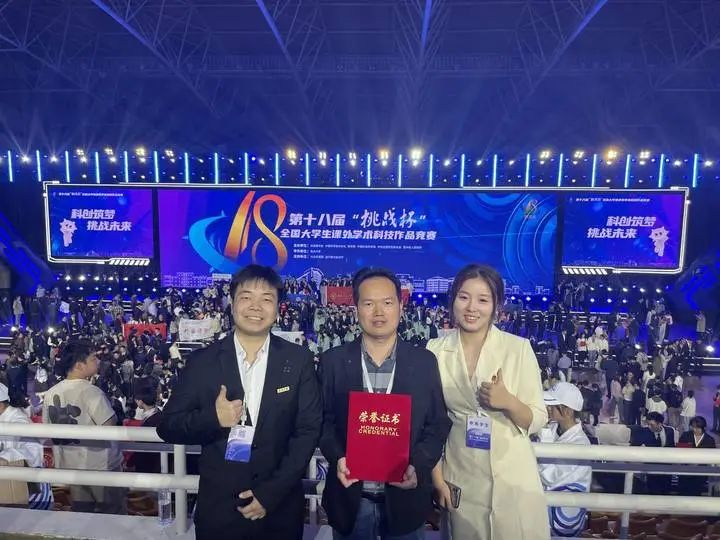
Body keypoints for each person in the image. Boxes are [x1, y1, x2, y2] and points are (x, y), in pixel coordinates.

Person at [158, 265, 322, 540]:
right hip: (220, 511)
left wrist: (270, 494)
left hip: (279, 510)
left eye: (266, 299)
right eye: (246, 297)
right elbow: (168, 426)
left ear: (278, 309)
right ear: (232, 304)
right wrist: (213, 418)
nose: (256, 306)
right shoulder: (203, 362)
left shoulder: (297, 360)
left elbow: (308, 431)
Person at [319, 267, 450, 540]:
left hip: (405, 500)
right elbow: (323, 421)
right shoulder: (333, 361)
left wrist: (417, 466)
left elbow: (437, 424)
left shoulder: (424, 362)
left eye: (387, 302)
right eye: (368, 303)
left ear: (401, 306)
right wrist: (338, 457)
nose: (378, 312)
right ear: (356, 308)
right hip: (351, 498)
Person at [427, 264, 550, 540]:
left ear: (496, 306)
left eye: (483, 300)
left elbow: (538, 418)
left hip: (512, 475)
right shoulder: (435, 350)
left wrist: (508, 402)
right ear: (453, 300)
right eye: (464, 297)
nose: (472, 307)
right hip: (461, 473)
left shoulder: (518, 348)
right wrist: (437, 478)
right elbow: (428, 421)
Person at [42, 339, 127, 514]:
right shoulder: (91, 391)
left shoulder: (51, 393)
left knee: (82, 514)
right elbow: (109, 425)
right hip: (101, 466)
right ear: (79, 365)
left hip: (72, 466)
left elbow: (47, 429)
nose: (98, 361)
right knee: (113, 515)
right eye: (93, 358)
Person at [538, 382, 592, 538]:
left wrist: (543, 441)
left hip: (564, 519)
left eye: (553, 406)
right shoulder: (552, 428)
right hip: (545, 511)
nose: (548, 408)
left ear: (568, 411)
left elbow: (550, 477)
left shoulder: (581, 443)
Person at [631, 412, 676, 495]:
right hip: (651, 469)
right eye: (648, 424)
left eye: (651, 425)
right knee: (653, 492)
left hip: (666, 469)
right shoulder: (643, 432)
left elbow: (672, 447)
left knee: (666, 493)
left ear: (660, 424)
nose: (649, 427)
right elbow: (633, 447)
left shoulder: (670, 431)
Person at [678, 416, 716, 496]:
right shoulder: (685, 436)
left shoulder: (709, 440)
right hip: (685, 470)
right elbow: (680, 452)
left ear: (704, 428)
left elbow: (711, 457)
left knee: (696, 490)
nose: (694, 430)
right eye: (693, 427)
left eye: (697, 428)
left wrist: (699, 463)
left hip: (700, 472)